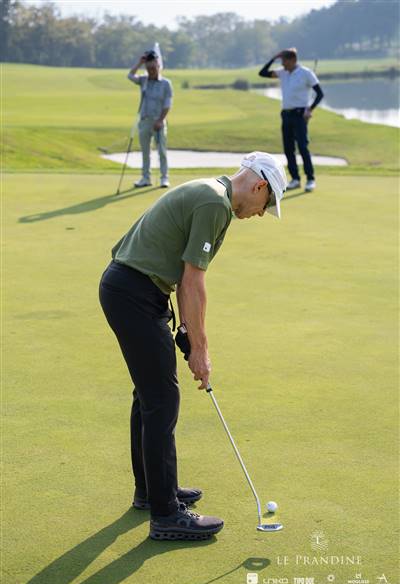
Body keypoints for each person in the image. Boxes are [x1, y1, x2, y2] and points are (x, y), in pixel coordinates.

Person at [99, 152, 287, 541]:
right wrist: (200, 349)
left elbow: (185, 280)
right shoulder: (214, 204)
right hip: (133, 293)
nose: (259, 214)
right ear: (259, 186)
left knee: (150, 396)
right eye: (265, 205)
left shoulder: (213, 195)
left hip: (135, 291)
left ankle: (153, 491)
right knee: (161, 400)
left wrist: (187, 332)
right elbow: (192, 282)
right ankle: (167, 515)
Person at [259, 48, 324, 192]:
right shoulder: (283, 72)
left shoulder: (306, 73)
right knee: (288, 148)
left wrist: (310, 109)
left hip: (300, 115)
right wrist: (273, 58)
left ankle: (310, 179)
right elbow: (262, 73)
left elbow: (320, 94)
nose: (282, 64)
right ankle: (295, 179)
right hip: (286, 115)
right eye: (281, 61)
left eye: (284, 61)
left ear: (293, 60)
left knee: (302, 147)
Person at [128, 50, 173, 189]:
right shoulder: (144, 80)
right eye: (148, 68)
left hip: (158, 122)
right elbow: (130, 75)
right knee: (145, 152)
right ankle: (145, 178)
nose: (151, 71)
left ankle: (164, 178)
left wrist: (160, 120)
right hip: (144, 121)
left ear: (158, 66)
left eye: (153, 68)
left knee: (161, 151)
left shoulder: (166, 83)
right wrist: (139, 63)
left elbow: (167, 104)